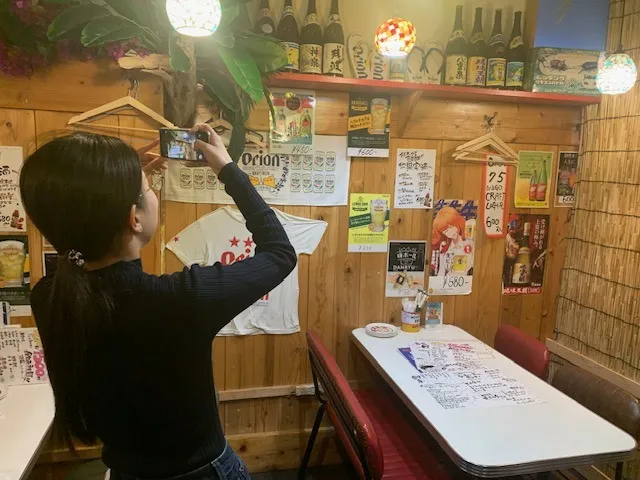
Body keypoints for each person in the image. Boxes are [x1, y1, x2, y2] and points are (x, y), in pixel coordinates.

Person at [20, 125, 297, 480]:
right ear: (133, 218)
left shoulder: (48, 296)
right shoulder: (180, 301)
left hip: (125, 472)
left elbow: (81, 240)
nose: (153, 192)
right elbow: (280, 253)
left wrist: (116, 183)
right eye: (148, 189)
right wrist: (227, 169)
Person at [430, 206, 474, 277]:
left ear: (457, 222)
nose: (450, 233)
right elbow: (441, 270)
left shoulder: (469, 243)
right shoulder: (444, 245)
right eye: (446, 231)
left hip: (466, 280)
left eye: (451, 227)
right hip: (447, 281)